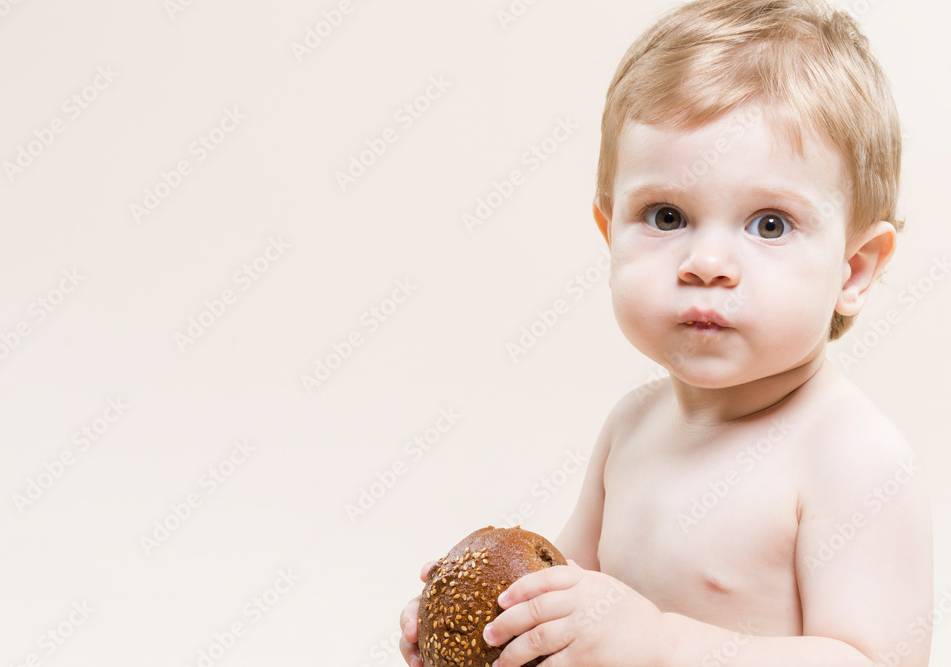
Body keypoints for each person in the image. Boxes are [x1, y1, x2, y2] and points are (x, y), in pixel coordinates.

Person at [400, 0, 934, 664]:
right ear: (610, 235)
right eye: (667, 214)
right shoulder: (631, 426)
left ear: (853, 269)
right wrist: (502, 621)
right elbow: (573, 598)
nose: (706, 263)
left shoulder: (852, 458)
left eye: (769, 223)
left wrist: (661, 643)